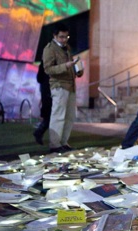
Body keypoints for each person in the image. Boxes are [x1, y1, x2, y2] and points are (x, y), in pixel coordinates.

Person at [43, 23, 83, 153]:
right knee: (58, 115)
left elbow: (70, 65)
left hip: (70, 86)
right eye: (61, 37)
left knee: (70, 116)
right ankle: (55, 144)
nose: (64, 39)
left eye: (66, 37)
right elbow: (48, 69)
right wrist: (66, 66)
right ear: (55, 36)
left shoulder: (67, 48)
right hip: (59, 85)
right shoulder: (50, 49)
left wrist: (78, 70)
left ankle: (63, 142)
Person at [33, 61, 52, 145]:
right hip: (49, 92)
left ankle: (39, 131)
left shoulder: (43, 64)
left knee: (48, 116)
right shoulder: (47, 65)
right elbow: (39, 78)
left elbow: (39, 79)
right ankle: (39, 131)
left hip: (45, 91)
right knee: (49, 116)